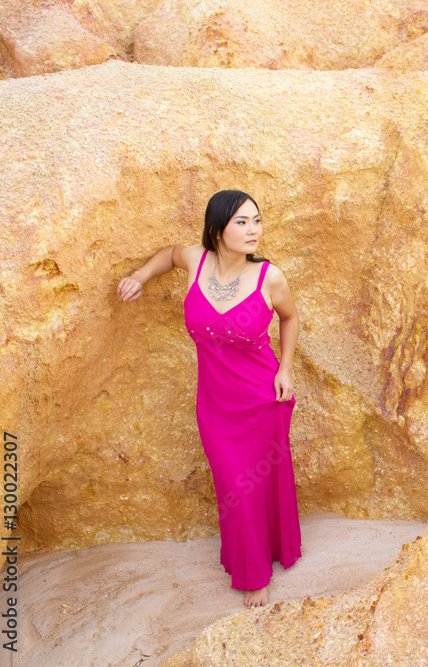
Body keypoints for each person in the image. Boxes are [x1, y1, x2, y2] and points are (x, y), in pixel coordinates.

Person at [115, 189, 302, 608]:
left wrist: (285, 369)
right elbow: (168, 254)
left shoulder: (269, 276)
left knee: (252, 484)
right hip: (215, 404)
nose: (253, 229)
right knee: (233, 484)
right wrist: (140, 277)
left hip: (260, 398)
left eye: (256, 219)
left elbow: (290, 317)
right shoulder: (195, 260)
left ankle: (256, 574)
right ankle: (259, 553)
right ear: (217, 228)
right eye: (242, 221)